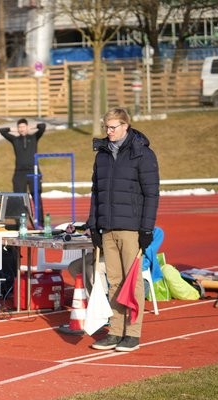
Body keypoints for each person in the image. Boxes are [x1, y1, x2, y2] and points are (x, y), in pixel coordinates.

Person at [88, 108, 159, 352]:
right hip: (107, 228)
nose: (108, 131)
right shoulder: (102, 155)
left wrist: (146, 229)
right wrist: (93, 225)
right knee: (114, 282)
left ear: (125, 126)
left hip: (131, 229)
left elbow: (151, 194)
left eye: (113, 127)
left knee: (132, 282)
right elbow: (96, 193)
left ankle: (133, 333)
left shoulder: (142, 154)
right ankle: (115, 331)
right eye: (106, 127)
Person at [0, 118, 46, 216]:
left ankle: (40, 221)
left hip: (33, 171)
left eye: (23, 127)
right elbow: (2, 131)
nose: (22, 129)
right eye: (20, 127)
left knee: (36, 196)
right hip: (20, 172)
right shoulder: (15, 140)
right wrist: (14, 129)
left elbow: (42, 127)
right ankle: (20, 221)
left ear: (27, 127)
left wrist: (31, 127)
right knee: (18, 197)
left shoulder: (34, 137)